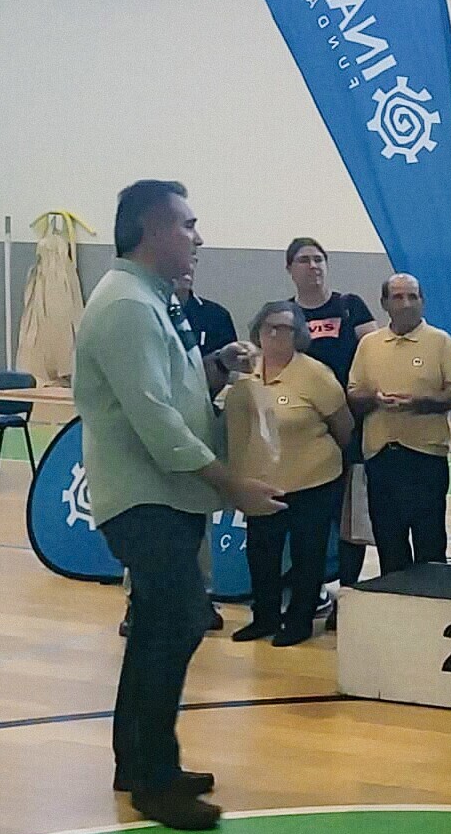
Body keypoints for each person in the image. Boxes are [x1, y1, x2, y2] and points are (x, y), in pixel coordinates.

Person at [74, 180, 283, 831]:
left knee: (156, 628)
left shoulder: (151, 300)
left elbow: (171, 390)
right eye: (188, 225)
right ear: (152, 230)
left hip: (162, 495)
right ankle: (156, 782)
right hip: (146, 498)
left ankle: (136, 761)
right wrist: (231, 484)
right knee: (178, 623)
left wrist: (215, 367)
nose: (198, 237)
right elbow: (156, 422)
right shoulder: (127, 306)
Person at [120, 267, 233, 638]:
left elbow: (218, 379)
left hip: (198, 429)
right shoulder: (141, 313)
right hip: (152, 434)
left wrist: (224, 362)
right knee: (149, 519)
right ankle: (138, 604)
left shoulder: (214, 316)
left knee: (197, 518)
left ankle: (201, 599)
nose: (186, 268)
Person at [233, 301, 354, 648]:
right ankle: (265, 617)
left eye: (284, 328)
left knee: (307, 556)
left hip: (312, 481)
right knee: (261, 554)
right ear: (257, 331)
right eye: (268, 326)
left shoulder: (316, 374)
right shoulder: (246, 373)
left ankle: (300, 621)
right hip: (262, 484)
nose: (274, 333)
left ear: (298, 334)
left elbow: (344, 427)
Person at [348, 274, 451, 574]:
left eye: (413, 296)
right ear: (384, 303)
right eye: (398, 297)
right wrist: (375, 399)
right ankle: (395, 599)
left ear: (423, 301)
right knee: (389, 543)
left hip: (426, 458)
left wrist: (419, 402)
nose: (406, 303)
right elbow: (353, 394)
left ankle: (433, 599)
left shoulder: (441, 342)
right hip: (381, 457)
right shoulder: (369, 344)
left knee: (430, 545)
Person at [286, 236, 378, 590]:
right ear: (290, 269)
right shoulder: (285, 314)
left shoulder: (350, 306)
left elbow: (374, 354)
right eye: (304, 260)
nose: (313, 266)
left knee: (349, 515)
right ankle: (309, 588)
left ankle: (348, 588)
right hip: (302, 433)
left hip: (349, 428)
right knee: (308, 513)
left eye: (318, 259)